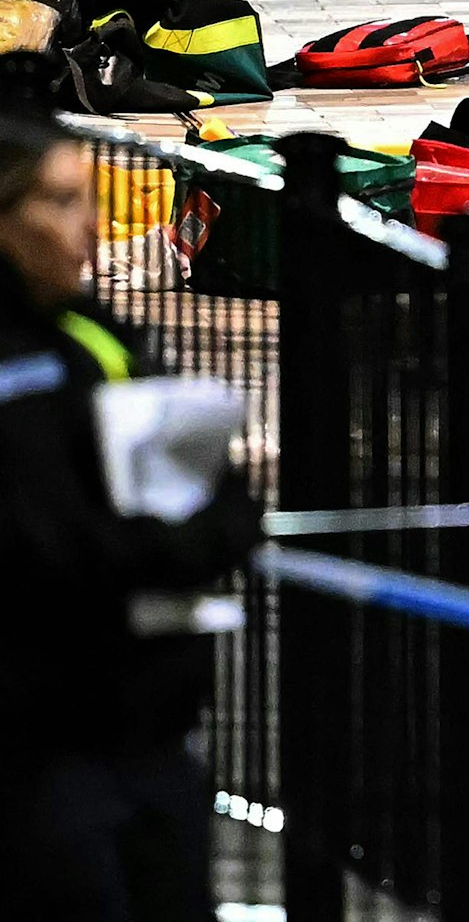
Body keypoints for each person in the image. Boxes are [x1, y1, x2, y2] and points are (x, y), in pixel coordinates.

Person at [0, 104, 262, 921]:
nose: (94, 227)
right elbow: (45, 543)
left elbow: (208, 483)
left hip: (147, 734)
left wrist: (208, 527)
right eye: (63, 202)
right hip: (36, 749)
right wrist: (178, 543)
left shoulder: (98, 335)